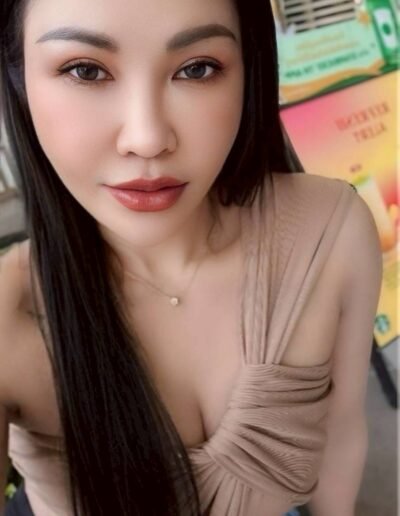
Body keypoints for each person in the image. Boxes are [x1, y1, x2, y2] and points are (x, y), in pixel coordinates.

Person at [0, 0, 383, 515]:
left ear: (249, 70)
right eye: (85, 71)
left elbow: (343, 433)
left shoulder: (330, 231)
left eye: (197, 68)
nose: (148, 139)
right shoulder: (9, 316)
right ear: (19, 81)